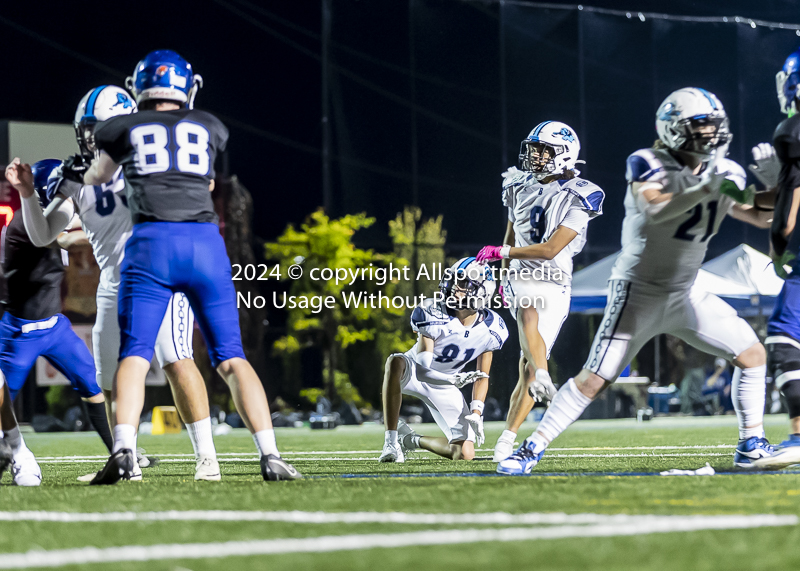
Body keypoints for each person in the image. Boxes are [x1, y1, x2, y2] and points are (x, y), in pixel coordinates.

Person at [497, 87, 775, 475]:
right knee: (594, 381)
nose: (711, 134)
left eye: (714, 126)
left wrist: (781, 184)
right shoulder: (648, 162)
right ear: (675, 128)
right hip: (638, 292)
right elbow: (656, 208)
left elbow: (762, 216)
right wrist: (704, 189)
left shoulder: (725, 173)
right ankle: (530, 449)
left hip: (687, 291)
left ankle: (750, 443)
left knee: (752, 356)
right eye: (701, 126)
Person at [66, 50, 299, 484]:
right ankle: (270, 455)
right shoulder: (208, 125)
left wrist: (76, 172)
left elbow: (97, 177)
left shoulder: (122, 130)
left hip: (151, 246)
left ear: (139, 90)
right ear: (185, 88)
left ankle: (125, 451)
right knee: (231, 357)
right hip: (204, 244)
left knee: (136, 358)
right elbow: (206, 179)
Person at [21, 84, 220, 481]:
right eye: (90, 128)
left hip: (159, 272)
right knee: (108, 375)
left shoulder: (146, 163)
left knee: (175, 356)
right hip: (114, 281)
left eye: (103, 127)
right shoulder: (77, 175)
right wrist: (28, 193)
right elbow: (44, 234)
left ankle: (207, 456)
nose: (94, 136)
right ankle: (125, 457)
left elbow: (203, 183)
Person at [475, 121, 604, 462]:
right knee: (528, 311)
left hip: (557, 280)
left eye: (544, 150)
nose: (535, 156)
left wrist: (502, 255)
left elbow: (550, 249)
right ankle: (545, 375)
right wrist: (503, 277)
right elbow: (511, 235)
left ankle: (508, 436)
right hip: (521, 276)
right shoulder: (517, 185)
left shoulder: (582, 193)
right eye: (534, 149)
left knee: (526, 368)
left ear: (563, 154)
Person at [1, 159, 114, 485]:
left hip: (55, 326)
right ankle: (12, 453)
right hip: (19, 332)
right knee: (1, 403)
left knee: (93, 386)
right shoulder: (26, 221)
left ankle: (119, 453)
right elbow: (64, 239)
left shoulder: (50, 215)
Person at [379, 258, 508, 462]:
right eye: (455, 280)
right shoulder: (432, 311)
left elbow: (482, 376)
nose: (455, 287)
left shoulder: (493, 329)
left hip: (447, 385)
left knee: (464, 454)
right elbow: (422, 370)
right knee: (395, 362)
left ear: (482, 292)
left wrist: (476, 412)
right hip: (415, 372)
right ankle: (391, 442)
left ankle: (411, 440)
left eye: (464, 284)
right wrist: (452, 380)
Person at [751, 47, 800, 469]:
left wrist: (777, 250)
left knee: (784, 338)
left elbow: (786, 216)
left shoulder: (793, 129)